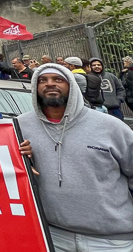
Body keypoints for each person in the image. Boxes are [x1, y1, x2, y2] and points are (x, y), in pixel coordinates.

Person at [17, 64, 133, 251]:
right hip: (52, 235)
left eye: (58, 79)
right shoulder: (20, 126)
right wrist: (23, 161)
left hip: (111, 240)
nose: (50, 84)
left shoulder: (111, 127)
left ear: (71, 85)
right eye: (42, 80)